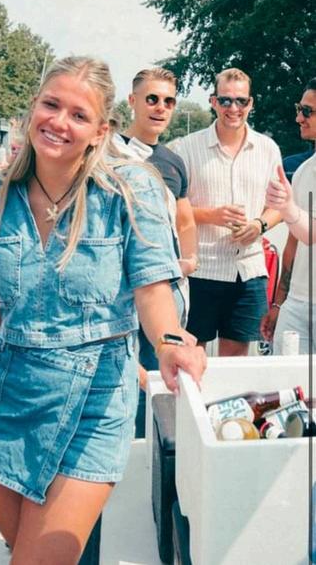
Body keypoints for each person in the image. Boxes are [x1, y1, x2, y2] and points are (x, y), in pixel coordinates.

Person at [0, 56, 206, 564]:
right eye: (51, 105)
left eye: (78, 115)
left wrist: (169, 343)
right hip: (5, 396)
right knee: (24, 551)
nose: (59, 122)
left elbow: (152, 289)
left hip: (95, 396)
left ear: (101, 131)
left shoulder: (129, 190)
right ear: (33, 106)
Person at [174, 67, 282, 356]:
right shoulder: (187, 148)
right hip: (201, 270)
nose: (233, 108)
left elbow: (279, 206)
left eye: (241, 101)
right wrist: (211, 216)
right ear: (213, 102)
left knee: (235, 365)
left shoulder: (268, 149)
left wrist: (259, 225)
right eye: (225, 100)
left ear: (251, 103)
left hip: (248, 271)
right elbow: (170, 208)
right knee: (191, 359)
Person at [119, 67, 198, 436]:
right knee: (126, 387)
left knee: (163, 386)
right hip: (124, 292)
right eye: (152, 99)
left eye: (168, 101)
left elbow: (185, 219)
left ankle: (158, 455)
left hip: (169, 292)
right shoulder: (109, 153)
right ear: (132, 101)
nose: (160, 107)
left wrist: (190, 259)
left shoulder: (173, 160)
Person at [261, 78, 316, 353]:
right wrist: (279, 303)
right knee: (286, 379)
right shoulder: (304, 171)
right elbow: (294, 242)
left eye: (307, 111)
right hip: (297, 304)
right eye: (299, 109)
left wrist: (289, 210)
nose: (298, 118)